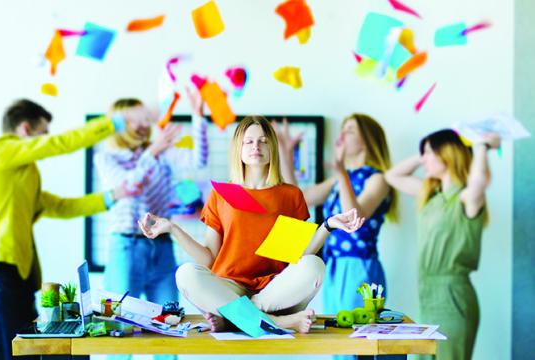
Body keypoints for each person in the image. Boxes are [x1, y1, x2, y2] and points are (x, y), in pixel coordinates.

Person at [139, 115, 365, 333]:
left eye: (263, 141)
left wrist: (327, 226)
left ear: (272, 149)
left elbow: (296, 256)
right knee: (186, 273)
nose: (256, 146)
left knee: (314, 266)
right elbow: (209, 259)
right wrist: (173, 229)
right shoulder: (220, 195)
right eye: (248, 141)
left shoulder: (290, 195)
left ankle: (236, 319)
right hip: (229, 287)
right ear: (238, 148)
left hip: (273, 291)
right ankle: (278, 322)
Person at [0, 99, 149, 360]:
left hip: (15, 282)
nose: (46, 140)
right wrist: (116, 122)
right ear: (25, 130)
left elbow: (61, 207)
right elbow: (59, 144)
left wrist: (113, 195)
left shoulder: (21, 176)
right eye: (43, 133)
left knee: (28, 353)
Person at [94, 90, 207, 360]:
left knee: (168, 327)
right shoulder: (106, 158)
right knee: (118, 331)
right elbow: (129, 186)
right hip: (126, 246)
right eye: (138, 119)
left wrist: (199, 116)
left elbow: (198, 160)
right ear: (119, 123)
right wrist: (153, 153)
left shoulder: (162, 155)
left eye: (147, 118)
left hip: (162, 247)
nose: (146, 124)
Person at [384, 129, 500, 360]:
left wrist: (481, 147)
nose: (424, 158)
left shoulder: (466, 197)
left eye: (428, 153)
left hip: (452, 296)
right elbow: (392, 177)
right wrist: (423, 154)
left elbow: (480, 180)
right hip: (428, 295)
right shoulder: (430, 195)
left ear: (447, 153)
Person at [276, 114, 398, 313]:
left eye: (350, 130)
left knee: (356, 336)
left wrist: (340, 170)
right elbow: (300, 198)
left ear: (367, 140)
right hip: (333, 266)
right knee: (338, 335)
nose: (341, 134)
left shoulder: (377, 179)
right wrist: (287, 156)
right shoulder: (338, 179)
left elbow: (354, 215)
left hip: (359, 266)